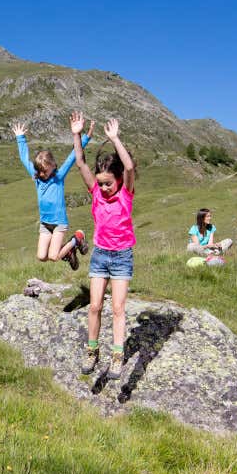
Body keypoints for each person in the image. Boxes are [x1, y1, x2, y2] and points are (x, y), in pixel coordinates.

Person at [70, 111, 136, 379]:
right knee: (94, 305)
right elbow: (80, 163)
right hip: (100, 256)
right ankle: (92, 350)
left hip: (122, 257)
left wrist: (115, 139)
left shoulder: (126, 194)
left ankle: (117, 356)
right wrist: (77, 135)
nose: (105, 188)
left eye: (108, 183)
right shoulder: (96, 192)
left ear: (117, 180)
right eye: (101, 184)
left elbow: (129, 168)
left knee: (118, 308)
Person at [11, 121, 92, 269]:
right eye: (39, 170)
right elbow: (24, 158)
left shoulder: (58, 177)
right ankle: (69, 251)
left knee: (53, 256)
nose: (42, 174)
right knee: (42, 256)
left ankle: (77, 239)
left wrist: (85, 138)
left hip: (59, 222)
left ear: (53, 166)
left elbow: (72, 156)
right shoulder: (37, 177)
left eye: (45, 171)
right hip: (45, 223)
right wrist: (20, 137)